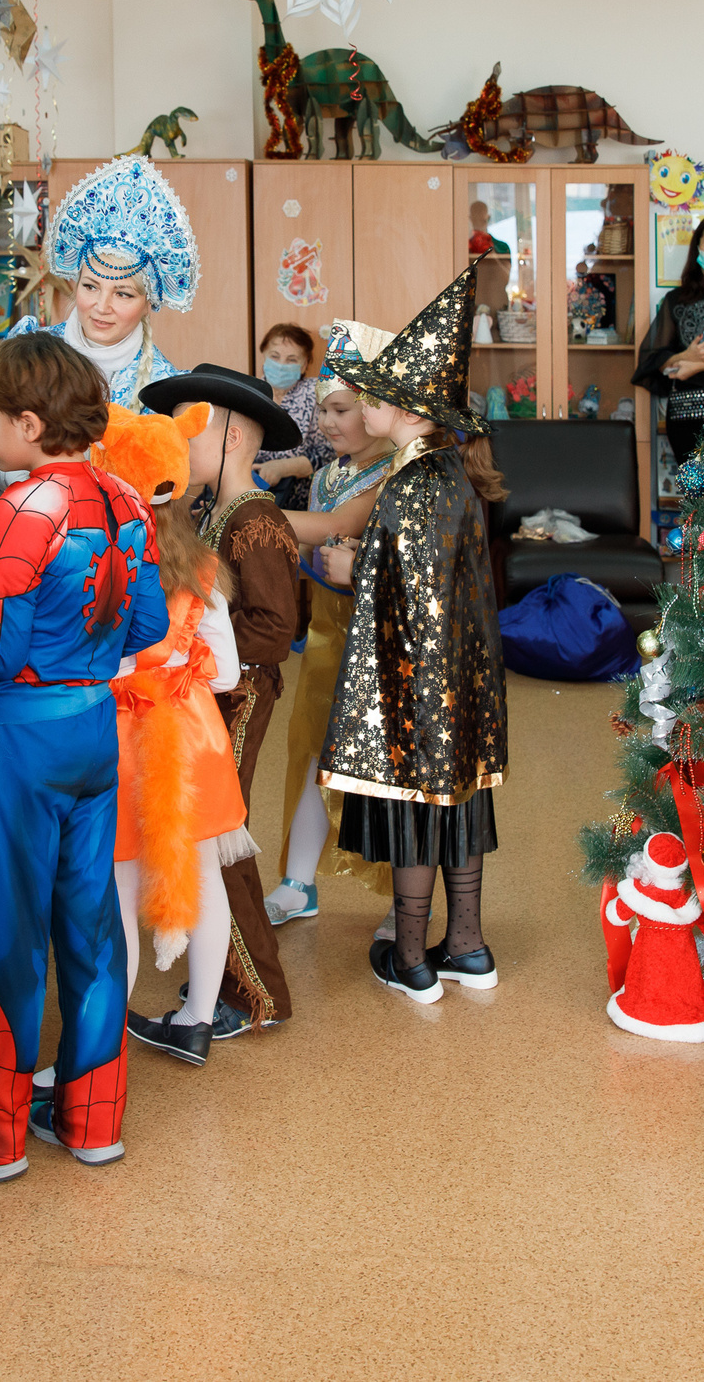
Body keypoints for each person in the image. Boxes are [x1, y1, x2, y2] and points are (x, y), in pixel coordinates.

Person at [0, 333, 165, 1184]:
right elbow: (149, 627)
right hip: (94, 727)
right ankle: (94, 1122)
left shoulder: (16, 510)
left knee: (6, 927)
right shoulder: (128, 500)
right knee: (92, 925)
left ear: (29, 425)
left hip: (20, 735)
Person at [322, 269, 507, 1005]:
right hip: (458, 686)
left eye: (370, 396)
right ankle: (466, 944)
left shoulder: (414, 482)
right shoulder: (440, 470)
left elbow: (408, 582)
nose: (361, 406)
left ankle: (410, 957)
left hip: (416, 687)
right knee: (458, 803)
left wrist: (351, 563)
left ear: (402, 407)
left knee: (412, 813)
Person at [139, 362, 303, 1034]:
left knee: (220, 842)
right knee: (208, 839)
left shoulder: (256, 520)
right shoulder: (216, 511)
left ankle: (255, 994)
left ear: (233, 437)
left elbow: (274, 626)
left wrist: (196, 649)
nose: (180, 444)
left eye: (193, 430)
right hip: (211, 699)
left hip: (237, 700)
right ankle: (219, 980)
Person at [91, 404, 250, 1066]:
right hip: (194, 738)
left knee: (121, 891)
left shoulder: (102, 562)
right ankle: (198, 1018)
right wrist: (183, 670)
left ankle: (98, 1055)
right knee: (206, 876)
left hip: (124, 739)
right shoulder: (202, 569)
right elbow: (229, 673)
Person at [266, 322, 402, 927]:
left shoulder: (394, 473)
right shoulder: (326, 474)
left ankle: (409, 900)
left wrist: (249, 509)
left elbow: (331, 527)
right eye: (321, 409)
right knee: (315, 749)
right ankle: (298, 882)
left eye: (341, 409)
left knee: (385, 764)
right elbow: (307, 553)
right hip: (327, 633)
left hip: (380, 637)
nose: (326, 421)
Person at [0, 155, 190, 501]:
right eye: (90, 286)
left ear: (147, 304)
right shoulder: (27, 348)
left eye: (122, 293)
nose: (101, 306)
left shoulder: (164, 387)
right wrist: (18, 479)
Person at [631, 212, 704, 465]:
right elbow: (652, 359)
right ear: (698, 245)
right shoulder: (677, 299)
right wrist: (686, 356)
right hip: (684, 413)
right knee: (693, 495)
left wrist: (702, 364)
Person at [247, 322, 330, 511]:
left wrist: (284, 467)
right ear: (264, 357)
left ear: (305, 365)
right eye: (275, 356)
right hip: (246, 495)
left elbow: (329, 457)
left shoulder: (316, 394)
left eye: (292, 359)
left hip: (298, 501)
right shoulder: (248, 392)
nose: (281, 365)